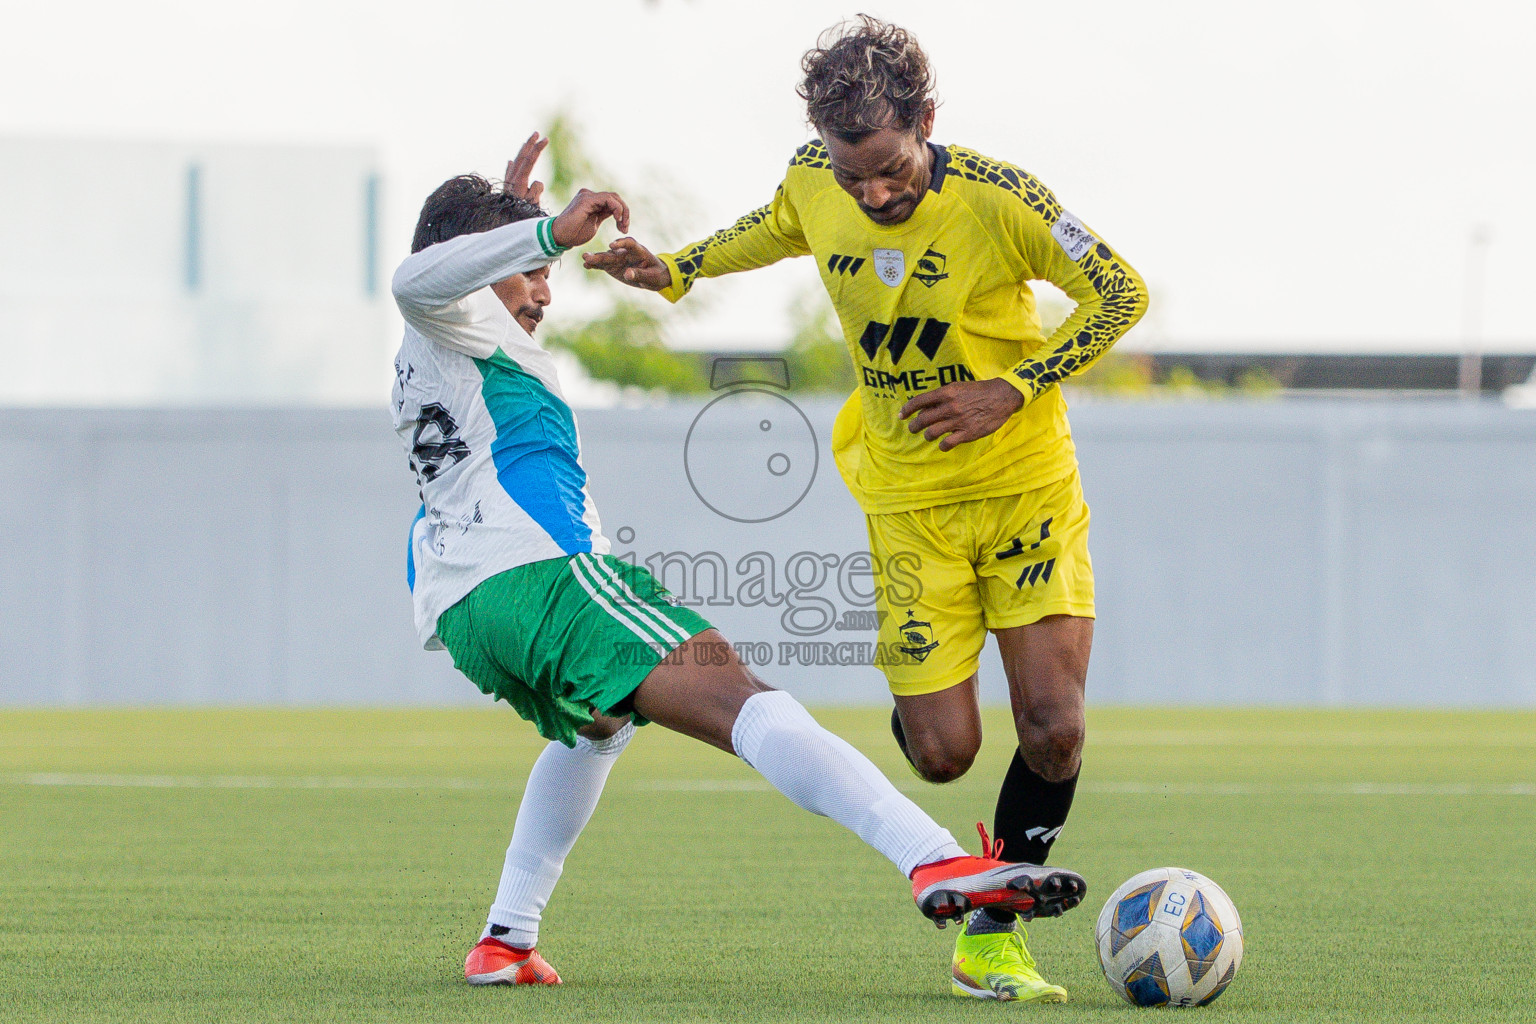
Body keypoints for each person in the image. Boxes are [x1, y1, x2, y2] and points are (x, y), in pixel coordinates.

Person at [390, 134, 1086, 991]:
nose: (544, 289)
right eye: (530, 271)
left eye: (545, 272)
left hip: (462, 608)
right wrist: (538, 236)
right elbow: (418, 277)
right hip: (543, 575)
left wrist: (514, 232)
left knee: (597, 728)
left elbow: (454, 278)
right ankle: (935, 861)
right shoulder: (436, 303)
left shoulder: (446, 344)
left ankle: (506, 937)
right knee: (744, 700)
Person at [585, 17, 1149, 1003]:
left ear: (927, 121)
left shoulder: (1001, 201)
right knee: (944, 755)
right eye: (854, 177)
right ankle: (923, 706)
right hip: (907, 503)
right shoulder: (818, 178)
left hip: (1026, 491)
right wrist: (675, 270)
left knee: (1054, 728)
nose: (872, 193)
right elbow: (770, 227)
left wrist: (1012, 387)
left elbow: (1120, 293)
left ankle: (994, 930)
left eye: (890, 168)